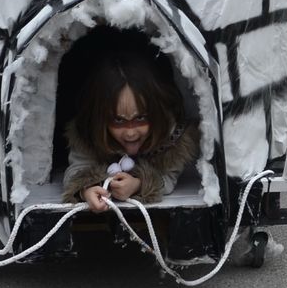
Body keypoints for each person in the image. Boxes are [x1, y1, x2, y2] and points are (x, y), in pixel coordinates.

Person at [59, 38, 198, 211]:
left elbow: (168, 177)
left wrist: (140, 185)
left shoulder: (172, 135)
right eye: (118, 121)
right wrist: (86, 190)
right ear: (101, 119)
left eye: (140, 118)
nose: (131, 133)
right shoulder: (90, 132)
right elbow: (77, 170)